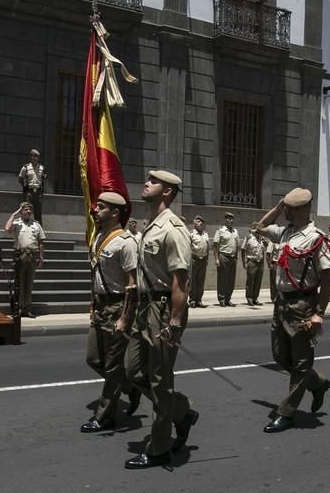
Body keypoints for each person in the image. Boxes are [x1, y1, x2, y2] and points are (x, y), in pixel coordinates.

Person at [124, 170, 197, 469]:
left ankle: (159, 450)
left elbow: (181, 281)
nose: (146, 183)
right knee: (133, 371)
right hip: (146, 308)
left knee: (160, 381)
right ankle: (182, 412)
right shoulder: (150, 225)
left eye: (153, 182)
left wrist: (175, 323)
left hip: (164, 310)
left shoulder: (174, 229)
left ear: (167, 192)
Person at [256, 188, 330, 433]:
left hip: (302, 305)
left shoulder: (315, 238)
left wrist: (319, 312)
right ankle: (318, 383)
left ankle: (286, 413)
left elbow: (327, 278)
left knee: (300, 364)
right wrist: (278, 207)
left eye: (288, 208)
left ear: (300, 209)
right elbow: (258, 227)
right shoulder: (285, 232)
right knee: (280, 356)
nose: (284, 211)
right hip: (282, 304)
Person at [81, 192, 141, 433]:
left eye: (101, 207)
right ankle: (131, 388)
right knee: (94, 359)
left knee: (114, 365)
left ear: (115, 213)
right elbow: (96, 275)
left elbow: (132, 285)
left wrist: (126, 317)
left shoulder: (126, 243)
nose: (95, 210)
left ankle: (105, 416)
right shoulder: (99, 239)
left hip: (118, 307)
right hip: (101, 305)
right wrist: (93, 302)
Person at [4, 202, 46, 318]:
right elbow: (7, 229)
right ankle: (18, 308)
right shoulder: (17, 223)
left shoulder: (36, 225)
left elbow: (41, 242)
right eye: (25, 210)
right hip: (20, 255)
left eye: (30, 210)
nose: (28, 212)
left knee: (29, 283)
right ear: (21, 211)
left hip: (32, 256)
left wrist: (41, 257)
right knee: (19, 283)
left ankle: (27, 309)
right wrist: (14, 214)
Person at [213, 212, 240, 307]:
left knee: (231, 280)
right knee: (222, 279)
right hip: (223, 256)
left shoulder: (235, 231)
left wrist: (236, 257)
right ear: (225, 219)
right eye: (229, 218)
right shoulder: (220, 231)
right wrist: (216, 259)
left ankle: (228, 298)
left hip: (233, 258)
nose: (231, 220)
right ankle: (222, 299)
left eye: (232, 219)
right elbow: (215, 246)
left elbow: (237, 245)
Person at [17, 148, 46, 223]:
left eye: (37, 157)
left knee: (38, 213)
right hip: (29, 192)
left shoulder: (42, 168)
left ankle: (38, 230)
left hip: (38, 193)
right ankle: (26, 228)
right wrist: (25, 186)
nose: (35, 158)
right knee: (27, 211)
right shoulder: (26, 167)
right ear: (31, 157)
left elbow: (44, 178)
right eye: (34, 156)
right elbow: (20, 179)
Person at [241, 224, 265, 306]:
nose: (258, 230)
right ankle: (249, 298)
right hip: (252, 262)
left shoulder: (262, 239)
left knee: (258, 281)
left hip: (260, 262)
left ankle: (255, 298)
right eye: (256, 229)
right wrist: (244, 262)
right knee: (250, 281)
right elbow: (243, 250)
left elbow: (265, 250)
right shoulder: (249, 238)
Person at [189, 215, 209, 308]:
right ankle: (192, 300)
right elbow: (188, 248)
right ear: (194, 223)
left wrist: (207, 259)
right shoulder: (191, 234)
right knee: (193, 281)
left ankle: (199, 300)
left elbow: (208, 247)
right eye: (198, 221)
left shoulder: (206, 234)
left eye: (201, 222)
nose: (200, 223)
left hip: (203, 260)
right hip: (194, 259)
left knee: (201, 281)